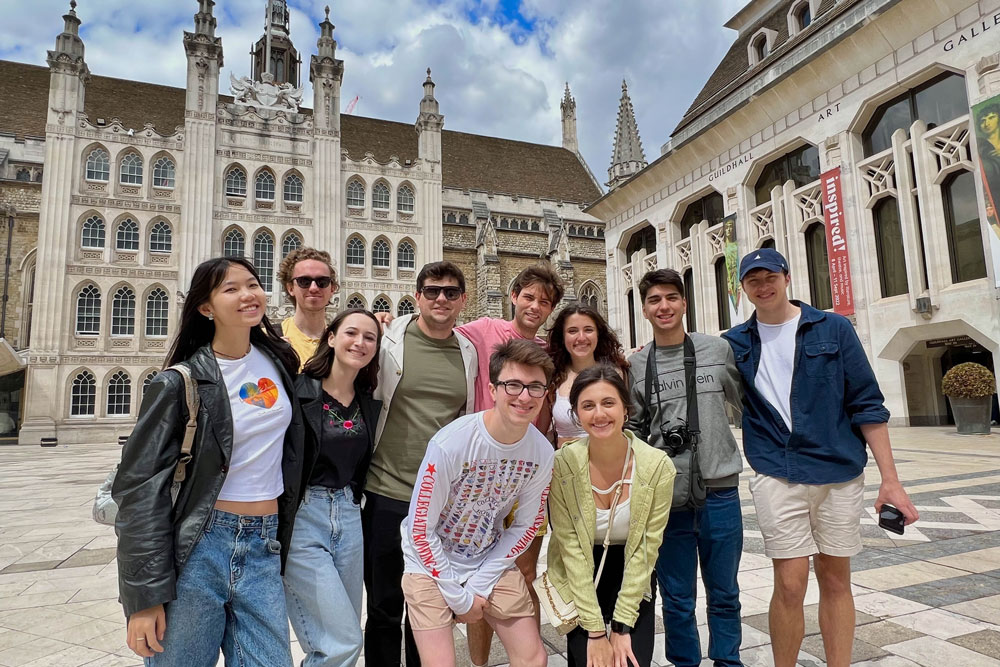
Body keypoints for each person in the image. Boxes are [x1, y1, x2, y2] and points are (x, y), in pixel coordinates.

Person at [722, 248, 918, 667]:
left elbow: (867, 403)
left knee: (834, 579)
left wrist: (891, 480)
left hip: (837, 472)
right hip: (778, 471)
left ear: (786, 277)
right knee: (790, 584)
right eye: (753, 279)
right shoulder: (734, 343)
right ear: (743, 287)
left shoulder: (833, 328)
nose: (763, 285)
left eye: (769, 276)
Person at [113, 257, 304, 666]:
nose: (247, 295)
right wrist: (143, 599)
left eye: (252, 284)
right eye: (230, 289)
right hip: (201, 544)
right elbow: (139, 488)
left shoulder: (279, 361)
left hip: (264, 545)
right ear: (206, 306)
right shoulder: (178, 382)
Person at [400, 339, 555, 667]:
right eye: (513, 385)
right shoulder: (451, 445)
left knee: (534, 658)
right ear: (493, 389)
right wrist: (459, 597)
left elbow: (526, 526)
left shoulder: (541, 454)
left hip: (487, 556)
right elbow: (419, 529)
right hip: (429, 562)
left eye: (535, 387)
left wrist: (481, 584)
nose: (524, 396)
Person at [626, 268, 744, 667]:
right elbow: (633, 429)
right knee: (677, 600)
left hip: (721, 492)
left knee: (724, 593)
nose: (664, 306)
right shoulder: (638, 364)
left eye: (671, 298)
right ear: (644, 309)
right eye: (655, 300)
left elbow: (749, 405)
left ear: (684, 303)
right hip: (669, 500)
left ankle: (728, 661)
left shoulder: (717, 349)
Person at [364, 261, 479, 667]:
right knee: (382, 606)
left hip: (437, 501)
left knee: (428, 609)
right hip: (386, 490)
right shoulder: (388, 337)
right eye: (432, 291)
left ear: (463, 300)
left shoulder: (469, 352)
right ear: (418, 297)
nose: (441, 299)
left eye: (450, 292)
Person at [455, 263, 564, 667]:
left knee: (523, 574)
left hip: (529, 476)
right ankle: (479, 663)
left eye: (545, 301)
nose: (535, 306)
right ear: (514, 295)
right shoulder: (485, 329)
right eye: (529, 296)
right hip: (480, 475)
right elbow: (435, 331)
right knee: (478, 578)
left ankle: (527, 656)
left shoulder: (552, 350)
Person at [546, 364, 675, 667]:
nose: (599, 414)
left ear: (626, 410)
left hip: (632, 570)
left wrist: (622, 625)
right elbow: (570, 547)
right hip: (580, 573)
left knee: (629, 660)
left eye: (608, 403)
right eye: (588, 406)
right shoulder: (563, 464)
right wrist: (594, 630)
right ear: (576, 414)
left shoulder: (657, 466)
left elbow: (646, 547)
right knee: (588, 660)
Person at [284, 309, 383, 667]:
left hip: (349, 514)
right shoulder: (297, 391)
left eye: (369, 337)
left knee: (343, 633)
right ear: (331, 337)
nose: (359, 343)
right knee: (340, 642)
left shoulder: (368, 399)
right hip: (306, 516)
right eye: (351, 333)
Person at [547, 304, 629, 447]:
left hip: (608, 462)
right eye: (572, 331)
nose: (581, 337)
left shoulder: (617, 373)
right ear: (562, 337)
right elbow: (542, 430)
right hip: (566, 464)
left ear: (598, 334)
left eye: (588, 330)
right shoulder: (553, 377)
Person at [277, 247, 339, 366]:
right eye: (304, 281)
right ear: (290, 288)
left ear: (332, 288)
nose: (314, 288)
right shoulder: (269, 338)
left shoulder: (342, 342)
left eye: (322, 281)